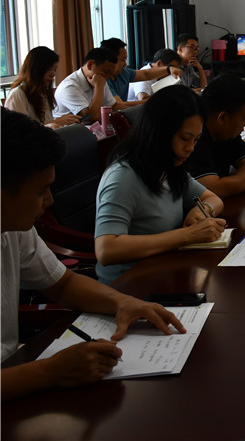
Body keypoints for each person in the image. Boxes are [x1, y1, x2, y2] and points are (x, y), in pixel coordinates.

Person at [1, 109, 185, 400]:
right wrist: (49, 372)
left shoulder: (13, 228)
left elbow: (62, 284)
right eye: (41, 191)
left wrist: (123, 302)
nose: (49, 201)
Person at [94, 86, 226, 284]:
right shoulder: (123, 177)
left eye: (196, 140)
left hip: (167, 272)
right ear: (159, 132)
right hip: (130, 285)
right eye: (184, 138)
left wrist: (201, 211)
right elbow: (106, 249)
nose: (190, 148)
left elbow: (212, 198)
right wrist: (186, 235)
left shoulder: (169, 166)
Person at [5, 46, 80, 128]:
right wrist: (56, 122)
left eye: (55, 70)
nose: (53, 74)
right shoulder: (17, 95)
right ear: (35, 69)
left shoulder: (43, 94)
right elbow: (22, 132)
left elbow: (46, 125)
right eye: (49, 69)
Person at [100, 37, 178, 106]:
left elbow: (145, 74)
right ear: (110, 59)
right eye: (123, 60)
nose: (125, 64)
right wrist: (151, 101)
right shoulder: (103, 79)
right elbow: (118, 105)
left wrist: (169, 69)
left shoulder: (124, 73)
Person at [52, 47, 121, 121]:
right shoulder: (69, 86)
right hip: (68, 128)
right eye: (106, 72)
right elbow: (92, 117)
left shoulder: (100, 78)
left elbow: (113, 106)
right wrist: (99, 87)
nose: (106, 78)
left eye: (109, 74)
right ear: (90, 65)